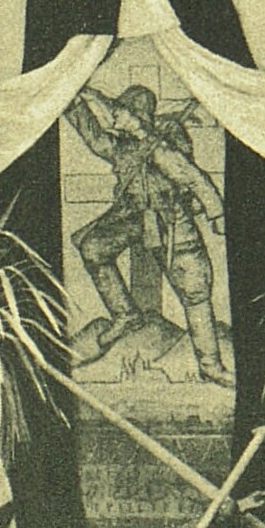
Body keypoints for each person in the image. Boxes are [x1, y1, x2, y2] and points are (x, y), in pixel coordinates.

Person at [63, 83, 232, 386]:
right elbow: (96, 140)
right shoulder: (123, 145)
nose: (115, 119)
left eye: (123, 114)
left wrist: (216, 212)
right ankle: (125, 314)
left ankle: (210, 365)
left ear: (138, 116)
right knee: (93, 248)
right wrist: (73, 106)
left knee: (194, 289)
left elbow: (189, 174)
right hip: (132, 216)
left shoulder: (166, 141)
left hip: (171, 219)